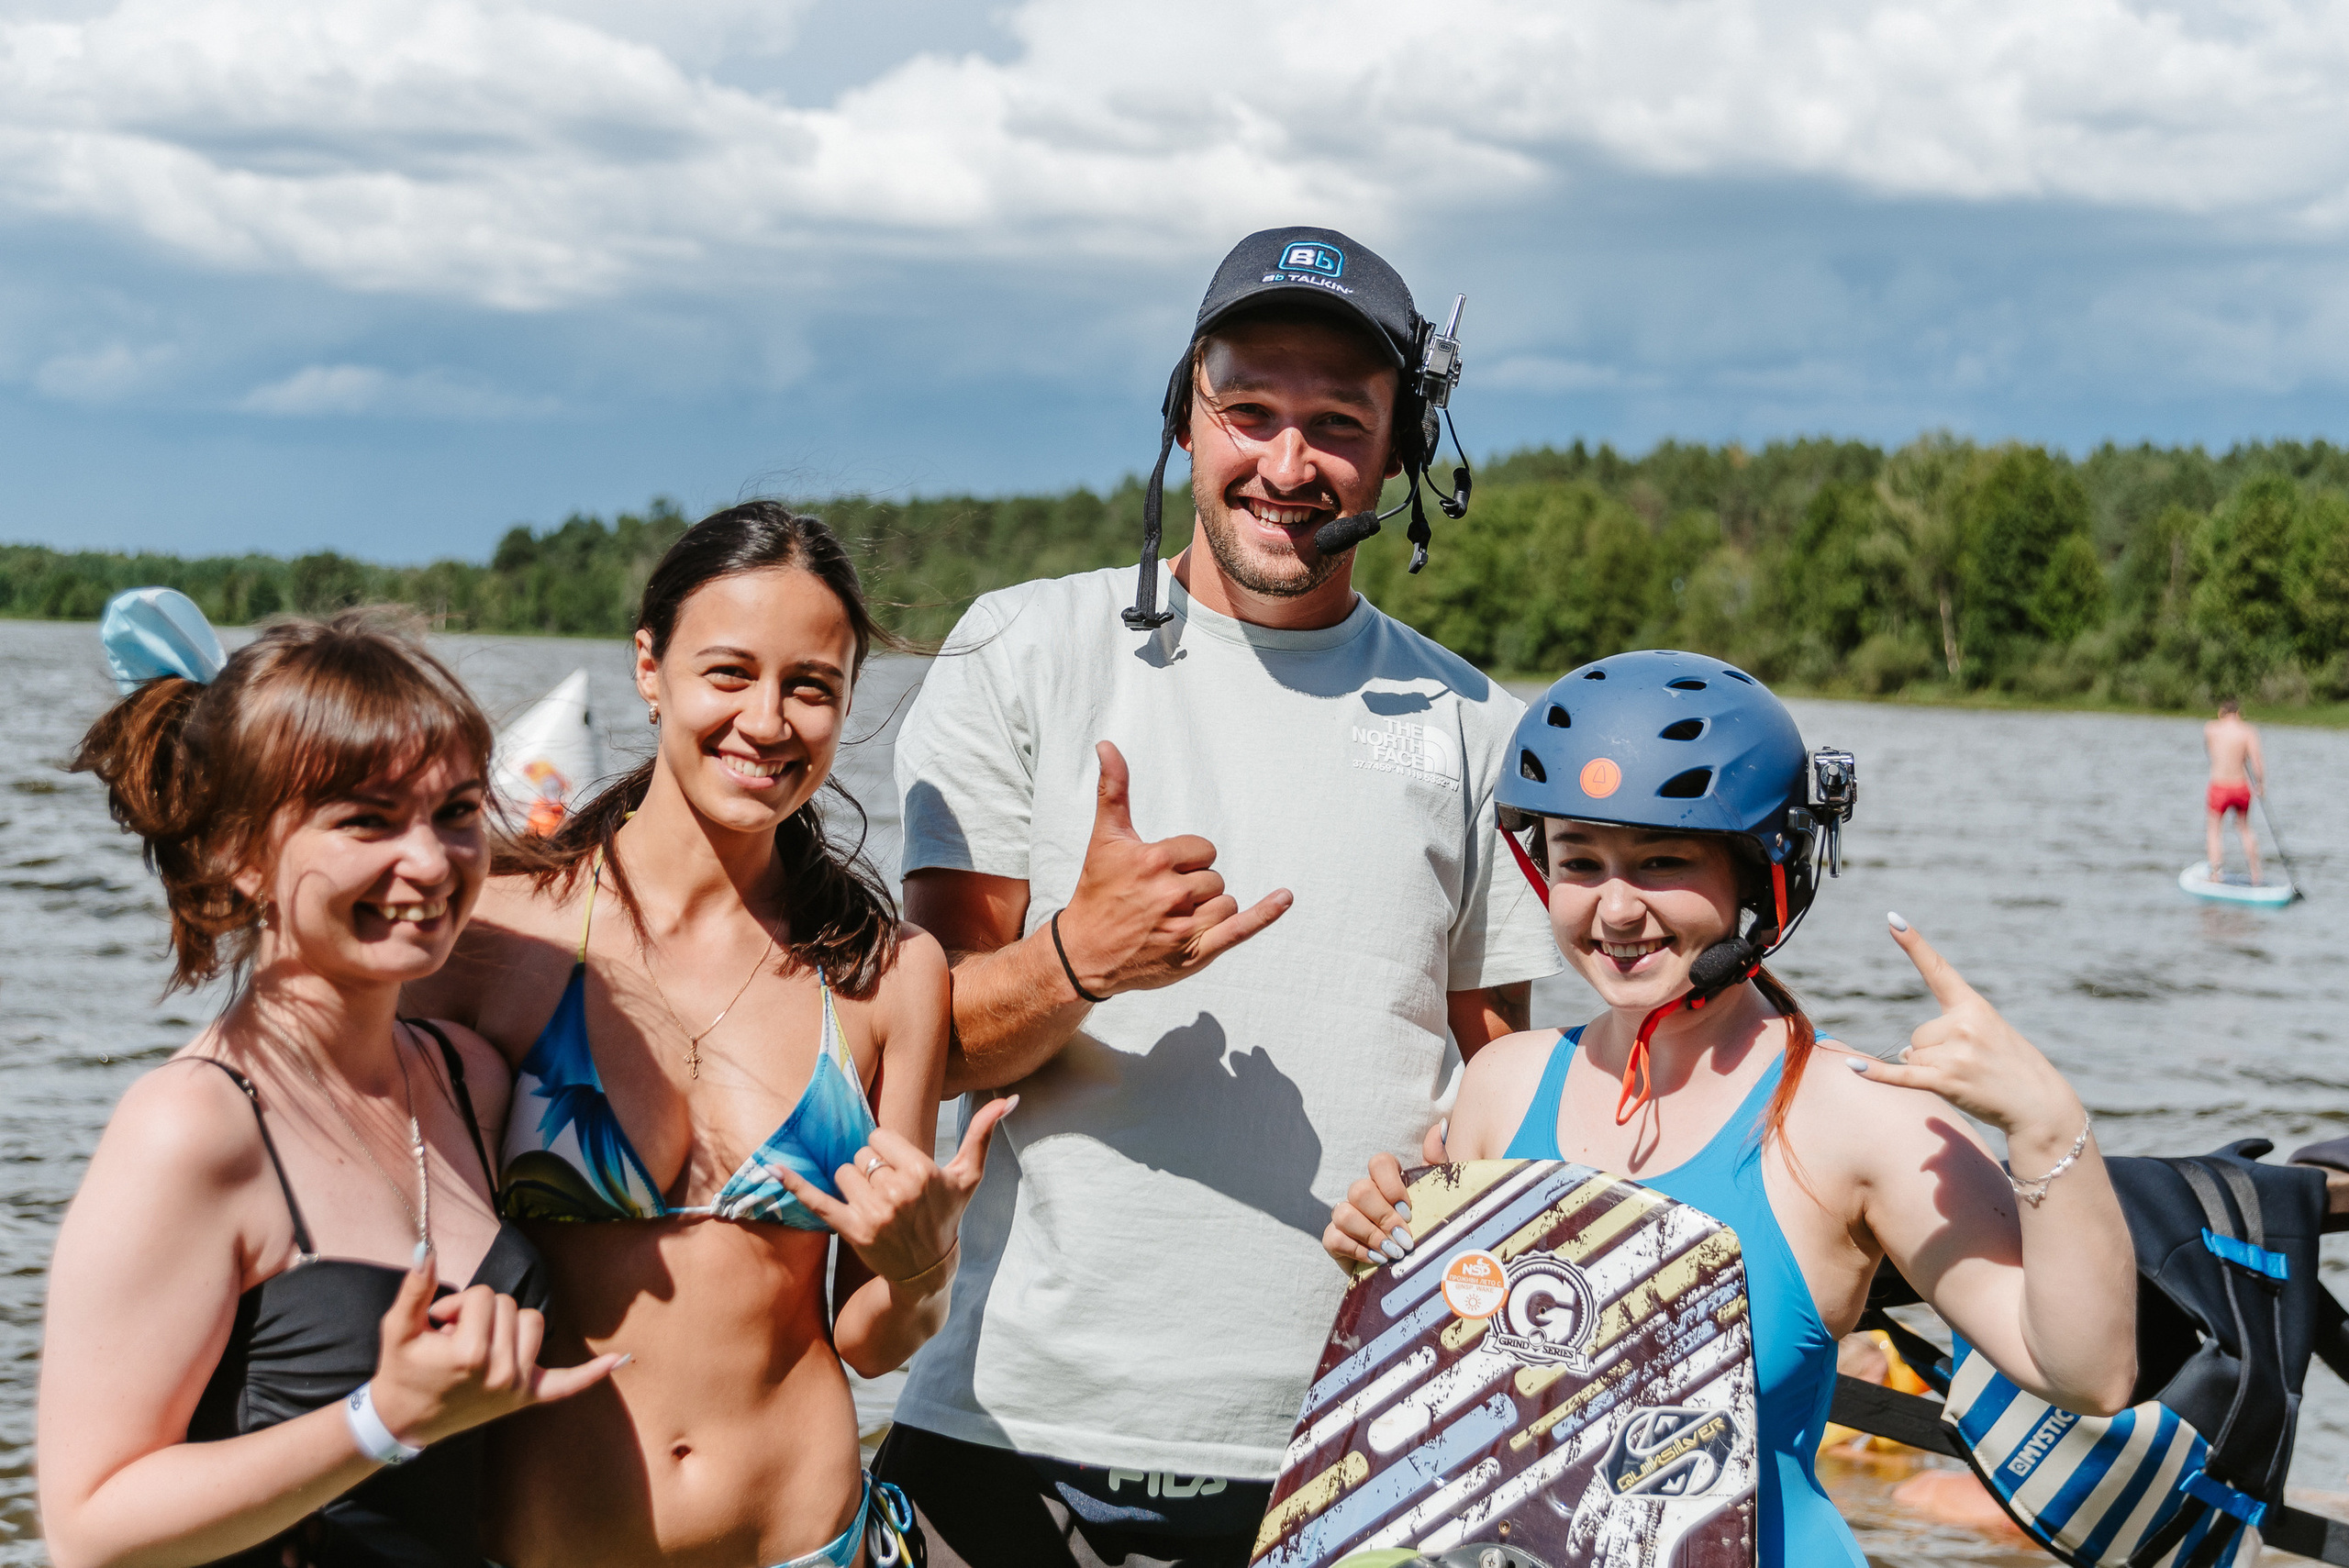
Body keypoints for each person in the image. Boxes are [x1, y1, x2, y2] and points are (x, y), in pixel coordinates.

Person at [877, 226, 1561, 1568]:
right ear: (1184, 419)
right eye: (1248, 412)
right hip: (1013, 1431)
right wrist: (1081, 958)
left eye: (1338, 424)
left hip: (1362, 1445)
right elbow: (924, 1048)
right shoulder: (1023, 647)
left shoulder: (1480, 724)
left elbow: (1501, 1092)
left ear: (1402, 451)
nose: (1287, 466)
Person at [1324, 650, 2137, 1568]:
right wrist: (1384, 1265)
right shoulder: (1502, 1085)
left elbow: (2086, 1372)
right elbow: (1467, 1393)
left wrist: (2045, 1123)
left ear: (1761, 874)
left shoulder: (1856, 1114)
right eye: (1579, 860)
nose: (1615, 908)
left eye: (1662, 861)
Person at [403, 504, 997, 1568]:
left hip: (806, 1540)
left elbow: (868, 1340)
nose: (766, 721)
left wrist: (922, 1267)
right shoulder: (492, 933)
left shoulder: (884, 974)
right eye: (729, 672)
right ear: (649, 666)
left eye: (810, 686)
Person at [39, 594, 618, 1568]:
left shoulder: (467, 1078)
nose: (429, 861)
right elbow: (88, 1526)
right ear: (239, 853)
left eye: (456, 812)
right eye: (367, 821)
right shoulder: (192, 1126)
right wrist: (380, 1418)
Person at [2204, 696, 2266, 883]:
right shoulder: (2248, 731)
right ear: (2238, 713)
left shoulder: (2211, 728)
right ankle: (2256, 874)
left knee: (2214, 830)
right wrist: (2260, 784)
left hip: (2219, 785)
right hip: (2241, 787)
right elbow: (2256, 761)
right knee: (2245, 828)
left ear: (2221, 713)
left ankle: (2216, 874)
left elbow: (2210, 752)